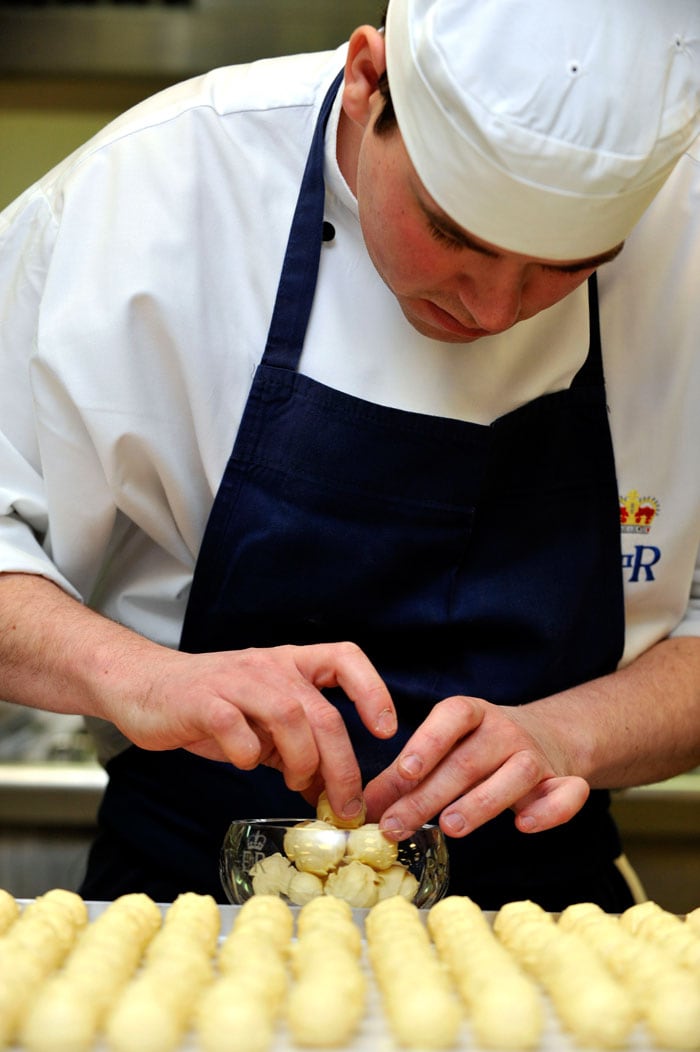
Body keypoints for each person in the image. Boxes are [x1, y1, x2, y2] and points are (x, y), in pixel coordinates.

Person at [0, 0, 699, 911]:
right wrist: (141, 677)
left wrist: (571, 734)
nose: (491, 311)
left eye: (565, 268)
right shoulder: (147, 200)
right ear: (368, 81)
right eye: (454, 234)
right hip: (183, 899)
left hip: (551, 909)